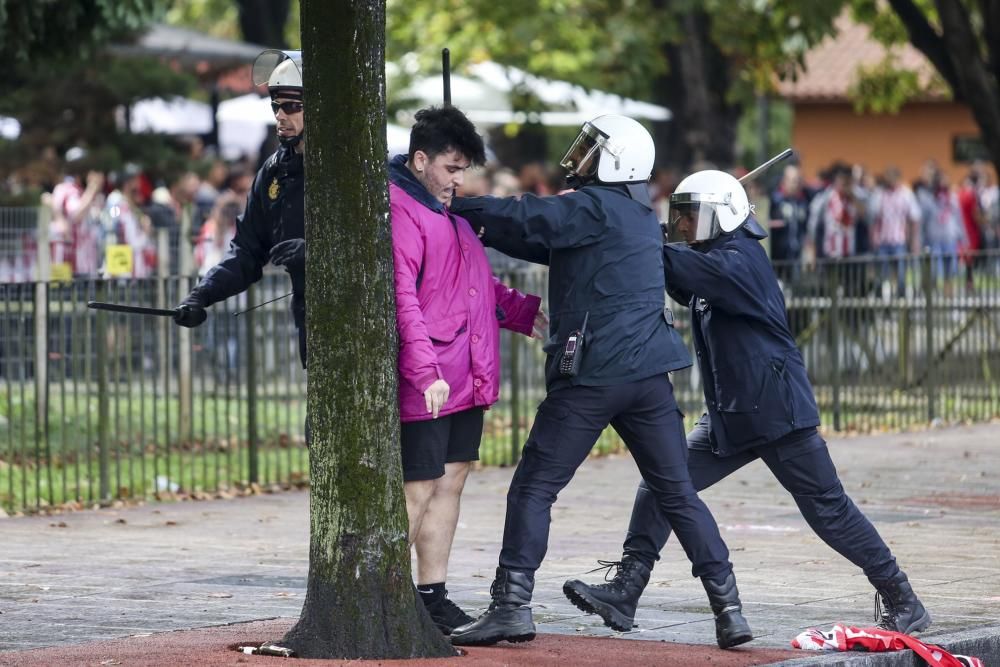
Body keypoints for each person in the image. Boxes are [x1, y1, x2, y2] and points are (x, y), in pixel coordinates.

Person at [562, 169, 931, 637]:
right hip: (730, 415)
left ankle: (902, 598)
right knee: (660, 483)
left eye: (693, 218)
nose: (684, 227)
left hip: (776, 411)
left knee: (828, 509)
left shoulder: (738, 259)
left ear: (723, 216)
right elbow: (671, 272)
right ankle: (627, 591)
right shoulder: (712, 259)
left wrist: (628, 228)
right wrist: (641, 231)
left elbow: (672, 265)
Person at [447, 115, 753, 650]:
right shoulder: (635, 214)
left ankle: (511, 606)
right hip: (649, 377)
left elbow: (529, 216)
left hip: (593, 375)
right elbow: (541, 239)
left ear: (617, 160)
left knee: (534, 487)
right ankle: (729, 610)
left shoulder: (591, 205)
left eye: (593, 150)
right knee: (678, 493)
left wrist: (455, 205)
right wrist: (478, 221)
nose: (581, 157)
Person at [389, 106, 546, 636]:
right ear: (420, 160)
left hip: (464, 374)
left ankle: (431, 596)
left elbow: (476, 291)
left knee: (450, 482)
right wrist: (424, 371)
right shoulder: (403, 212)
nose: (460, 181)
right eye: (452, 169)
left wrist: (528, 313)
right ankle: (387, 600)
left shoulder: (449, 216)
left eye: (464, 171)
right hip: (430, 377)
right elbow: (402, 300)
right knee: (418, 487)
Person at [172, 50, 308, 367]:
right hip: (311, 319)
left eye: (292, 106)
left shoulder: (355, 170)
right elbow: (247, 251)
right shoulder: (274, 172)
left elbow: (386, 247)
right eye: (275, 106)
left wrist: (320, 253)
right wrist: (202, 294)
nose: (280, 115)